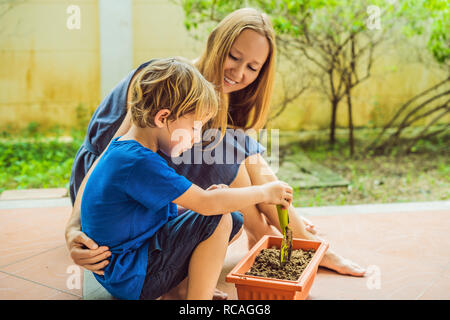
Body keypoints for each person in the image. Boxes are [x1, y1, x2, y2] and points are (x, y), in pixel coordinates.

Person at [65, 8, 365, 281]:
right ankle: (278, 238)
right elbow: (107, 156)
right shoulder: (166, 80)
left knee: (234, 149)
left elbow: (247, 162)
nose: (239, 73)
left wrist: (266, 204)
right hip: (101, 191)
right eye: (234, 57)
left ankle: (285, 239)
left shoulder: (221, 99)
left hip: (149, 195)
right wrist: (72, 228)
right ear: (215, 43)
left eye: (253, 67)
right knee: (224, 151)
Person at [80, 57, 294, 300]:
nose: (196, 137)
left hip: (129, 266)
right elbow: (207, 204)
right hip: (133, 276)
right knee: (219, 217)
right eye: (194, 128)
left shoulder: (131, 150)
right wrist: (266, 192)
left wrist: (213, 200)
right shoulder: (139, 162)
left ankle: (180, 290)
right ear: (162, 118)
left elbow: (174, 208)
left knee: (231, 218)